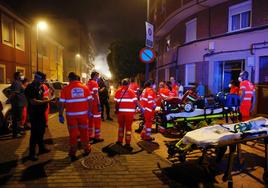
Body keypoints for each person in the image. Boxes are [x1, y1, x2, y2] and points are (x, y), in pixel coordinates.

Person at [58, 72, 92, 161]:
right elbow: (90, 101)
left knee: (73, 134)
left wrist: (60, 114)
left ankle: (73, 152)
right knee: (84, 132)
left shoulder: (65, 89)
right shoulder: (85, 88)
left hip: (71, 116)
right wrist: (89, 111)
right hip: (83, 115)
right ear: (78, 79)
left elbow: (61, 103)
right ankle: (87, 149)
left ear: (69, 79)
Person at [25, 72, 53, 161]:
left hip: (41, 113)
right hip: (34, 114)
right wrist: (46, 102)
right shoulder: (30, 87)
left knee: (41, 131)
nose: (43, 82)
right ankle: (32, 153)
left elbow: (40, 98)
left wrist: (45, 99)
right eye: (42, 80)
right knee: (34, 134)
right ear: (36, 78)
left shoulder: (40, 86)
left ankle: (41, 148)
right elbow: (33, 101)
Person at [114, 78, 143, 150]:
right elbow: (136, 102)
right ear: (128, 84)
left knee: (121, 128)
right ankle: (127, 143)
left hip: (120, 113)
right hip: (129, 114)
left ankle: (119, 141)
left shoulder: (118, 91)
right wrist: (142, 109)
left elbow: (116, 102)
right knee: (128, 129)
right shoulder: (131, 92)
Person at [87, 71, 104, 143]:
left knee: (90, 120)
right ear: (94, 76)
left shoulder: (88, 83)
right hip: (94, 104)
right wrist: (98, 104)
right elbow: (95, 94)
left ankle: (89, 135)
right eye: (97, 76)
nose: (98, 77)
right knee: (97, 121)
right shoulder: (94, 83)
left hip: (89, 104)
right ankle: (97, 137)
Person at [9, 72, 27, 138]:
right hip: (18, 104)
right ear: (17, 76)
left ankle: (18, 132)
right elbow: (14, 93)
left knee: (18, 119)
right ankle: (15, 134)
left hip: (20, 103)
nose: (22, 76)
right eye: (21, 75)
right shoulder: (16, 83)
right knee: (16, 119)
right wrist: (9, 100)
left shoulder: (19, 83)